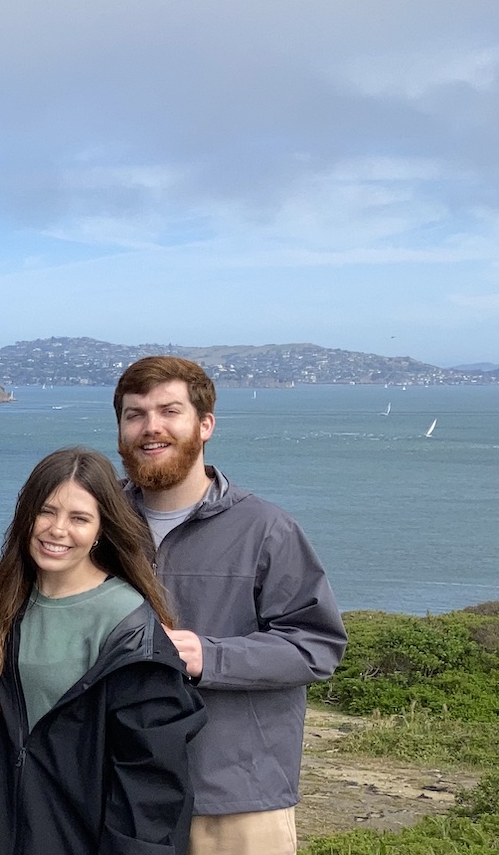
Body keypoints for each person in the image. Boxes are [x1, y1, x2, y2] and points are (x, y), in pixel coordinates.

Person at [114, 356, 346, 854]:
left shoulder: (266, 529)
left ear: (205, 425)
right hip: (118, 793)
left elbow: (317, 646)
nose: (151, 428)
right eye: (135, 414)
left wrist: (209, 656)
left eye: (169, 411)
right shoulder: (97, 524)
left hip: (237, 799)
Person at [0, 447, 206, 854]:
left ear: (101, 530)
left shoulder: (130, 630)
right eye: (47, 511)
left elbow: (149, 786)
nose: (57, 529)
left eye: (79, 518)